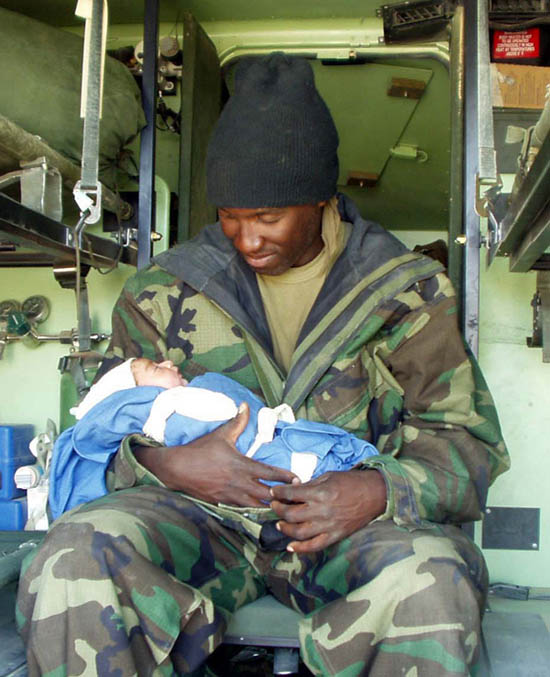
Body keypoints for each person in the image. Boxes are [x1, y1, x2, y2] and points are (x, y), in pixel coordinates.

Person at [17, 52, 510, 676]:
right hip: (201, 522)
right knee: (73, 555)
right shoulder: (165, 290)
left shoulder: (407, 293)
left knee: (437, 578)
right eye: (230, 217)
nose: (247, 240)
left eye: (269, 218)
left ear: (321, 199)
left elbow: (469, 447)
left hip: (346, 533)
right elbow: (103, 423)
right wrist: (161, 461)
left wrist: (378, 490)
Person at [49, 358, 378, 517]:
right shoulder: (156, 408)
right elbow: (223, 412)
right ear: (138, 392)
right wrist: (161, 463)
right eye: (153, 366)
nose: (168, 362)